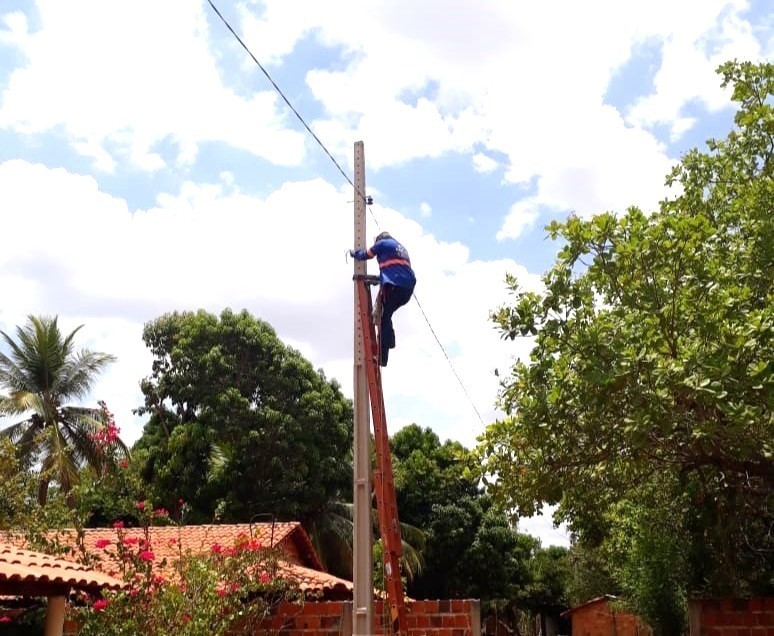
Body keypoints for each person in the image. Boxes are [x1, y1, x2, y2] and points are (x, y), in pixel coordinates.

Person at [350, 231, 416, 366]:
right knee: (387, 315)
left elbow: (366, 254)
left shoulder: (382, 244)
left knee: (383, 319)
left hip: (395, 287)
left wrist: (354, 253)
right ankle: (390, 340)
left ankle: (383, 357)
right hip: (407, 289)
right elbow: (396, 269)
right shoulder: (400, 247)